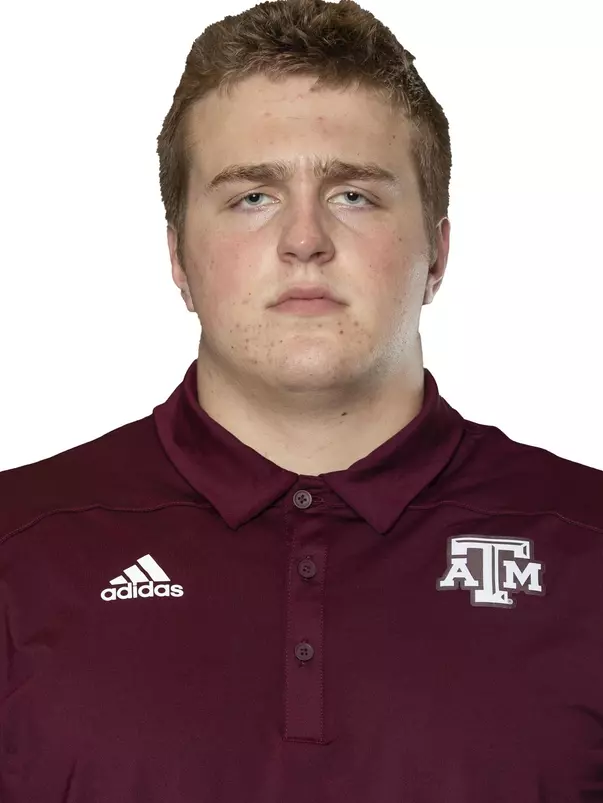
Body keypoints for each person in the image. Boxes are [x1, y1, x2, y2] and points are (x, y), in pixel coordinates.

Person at [1, 0, 602, 800]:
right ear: (178, 257)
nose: (304, 238)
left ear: (436, 253)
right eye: (252, 196)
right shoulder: (20, 551)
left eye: (354, 194)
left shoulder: (587, 549)